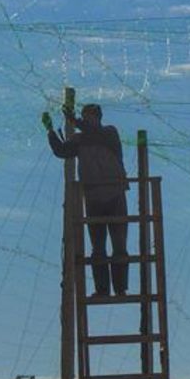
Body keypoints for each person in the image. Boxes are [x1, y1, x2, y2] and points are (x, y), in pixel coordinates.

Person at [43, 99, 130, 298]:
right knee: (98, 247)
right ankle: (102, 290)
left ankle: (120, 289)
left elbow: (95, 134)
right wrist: (50, 131)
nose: (88, 120)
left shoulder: (109, 133)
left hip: (114, 194)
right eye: (85, 116)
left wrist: (74, 121)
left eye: (90, 116)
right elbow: (62, 151)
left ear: (98, 118)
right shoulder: (81, 139)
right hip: (93, 198)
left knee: (119, 245)